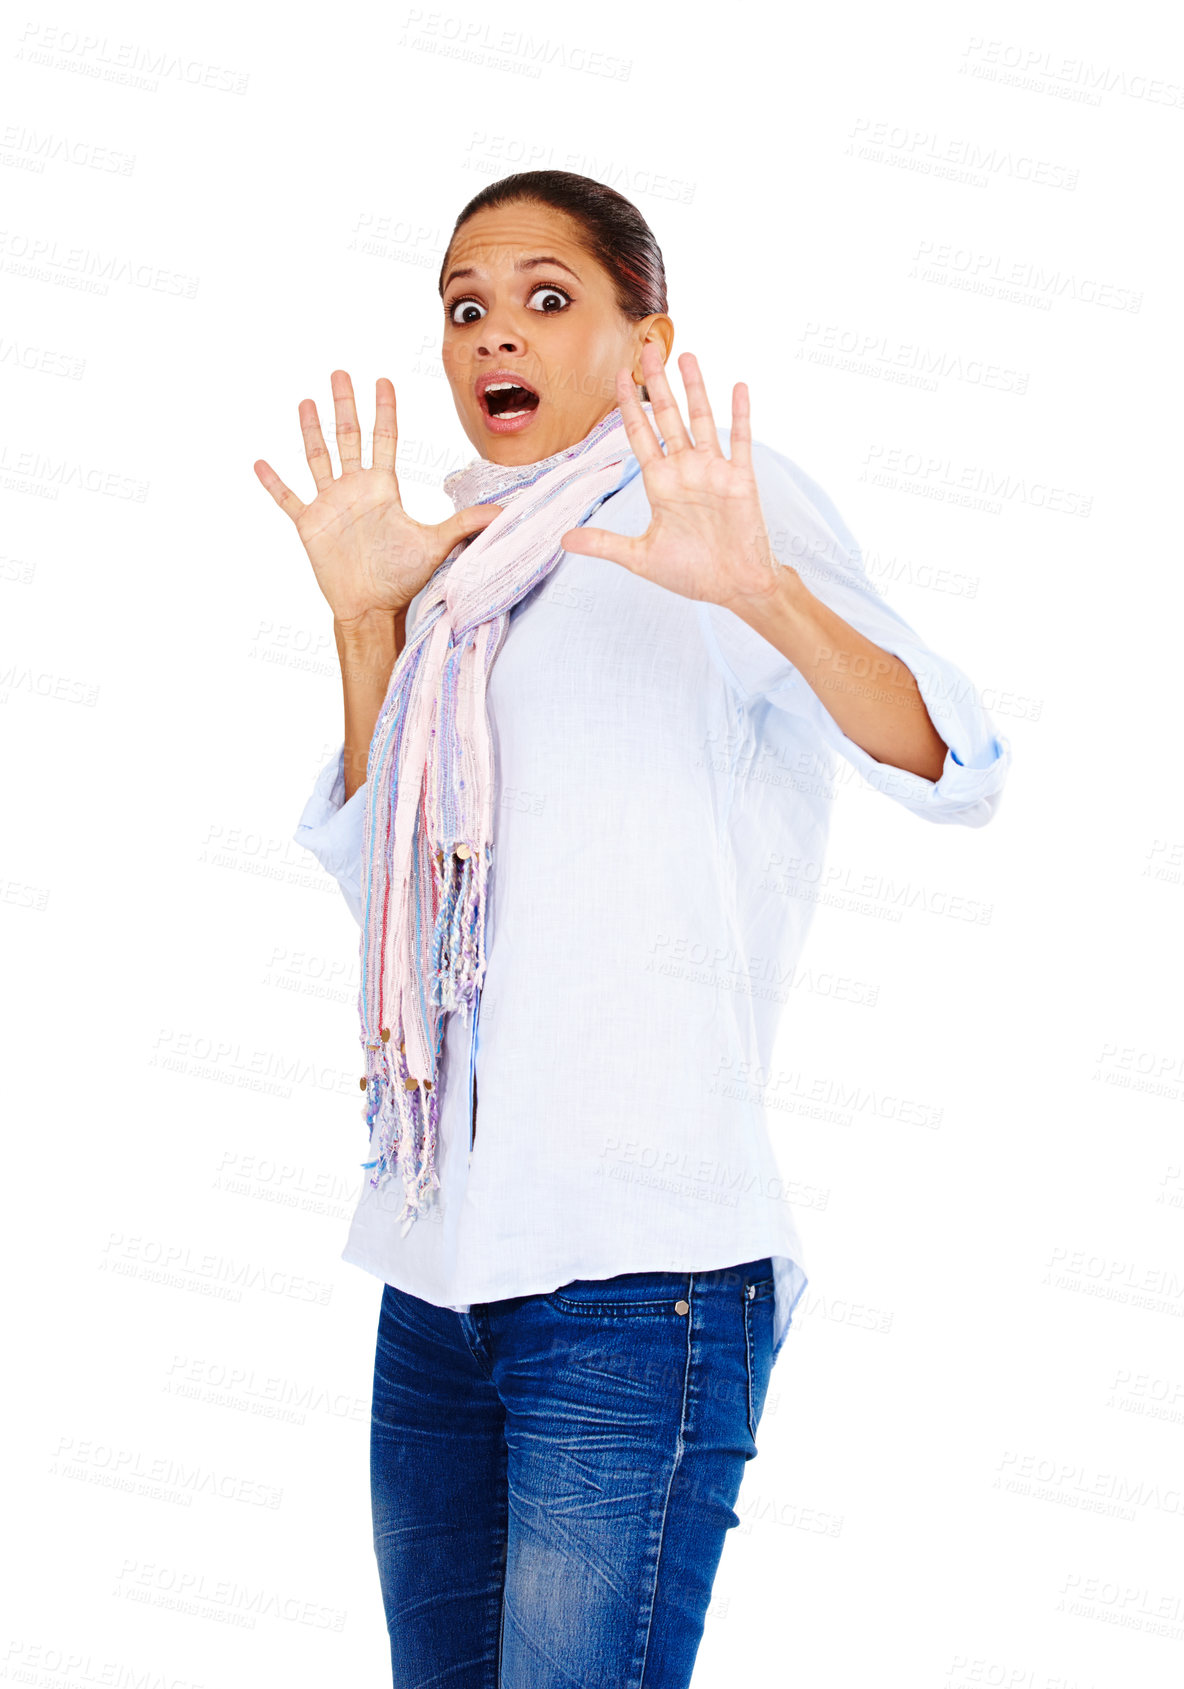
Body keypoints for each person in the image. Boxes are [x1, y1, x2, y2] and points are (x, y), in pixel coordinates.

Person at [254, 171, 1011, 1688]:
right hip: (441, 1264)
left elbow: (953, 763)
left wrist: (761, 592)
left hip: (640, 1277)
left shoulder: (717, 502)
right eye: (465, 306)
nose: (493, 337)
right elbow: (395, 896)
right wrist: (361, 622)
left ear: (648, 343)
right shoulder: (455, 567)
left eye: (548, 297)